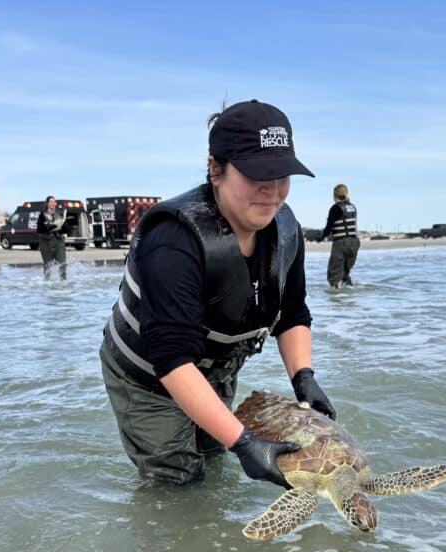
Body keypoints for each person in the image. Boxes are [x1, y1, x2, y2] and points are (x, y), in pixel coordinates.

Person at [100, 99, 335, 486]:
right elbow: (172, 359)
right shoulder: (174, 239)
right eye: (257, 174)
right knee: (176, 479)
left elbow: (292, 313)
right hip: (149, 376)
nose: (272, 192)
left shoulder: (286, 231)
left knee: (212, 463)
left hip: (213, 369)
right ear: (215, 169)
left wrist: (304, 378)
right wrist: (244, 443)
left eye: (282, 176)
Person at [321, 183, 359, 287]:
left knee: (333, 275)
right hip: (354, 243)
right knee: (344, 273)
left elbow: (328, 228)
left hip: (341, 243)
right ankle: (349, 295)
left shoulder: (335, 208)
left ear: (334, 195)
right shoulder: (352, 207)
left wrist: (320, 237)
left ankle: (336, 299)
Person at [36, 196, 67, 277]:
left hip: (59, 241)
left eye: (54, 202)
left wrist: (63, 227)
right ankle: (47, 284)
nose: (53, 203)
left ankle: (64, 283)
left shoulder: (60, 214)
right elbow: (39, 229)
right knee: (47, 265)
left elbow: (66, 228)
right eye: (51, 202)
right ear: (47, 203)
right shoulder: (42, 215)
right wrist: (50, 227)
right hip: (46, 243)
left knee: (62, 264)